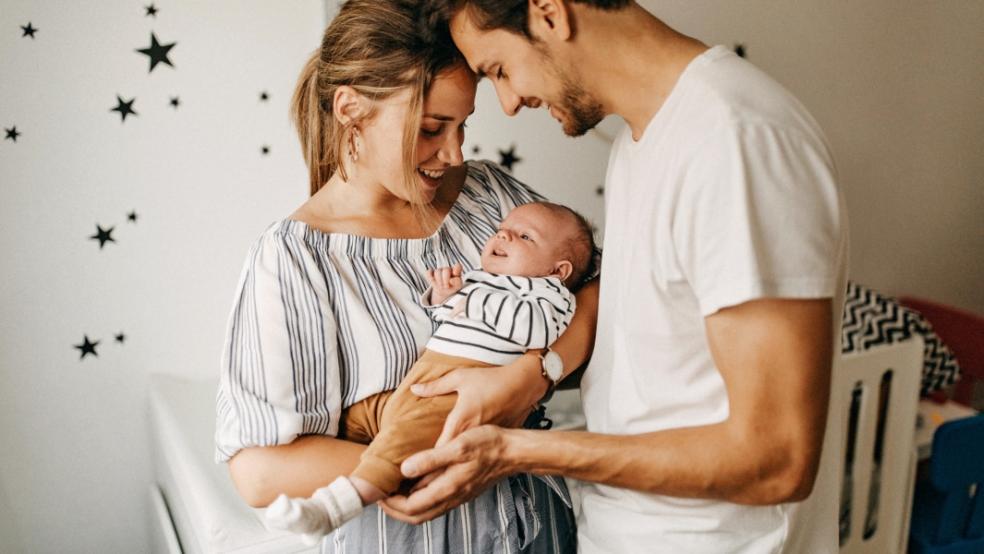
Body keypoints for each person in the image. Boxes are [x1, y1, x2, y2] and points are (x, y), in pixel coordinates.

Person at [382, 2, 849, 553]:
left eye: (500, 71)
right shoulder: (641, 140)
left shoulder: (736, 141)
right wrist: (540, 369)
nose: (509, 104)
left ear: (550, 14)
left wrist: (512, 451)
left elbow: (777, 460)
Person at [213, 1, 600, 552]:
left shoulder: (490, 196)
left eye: (463, 126)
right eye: (431, 129)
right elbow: (259, 470)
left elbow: (596, 286)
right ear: (350, 110)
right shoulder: (296, 258)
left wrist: (537, 374)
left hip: (538, 526)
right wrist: (450, 461)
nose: (454, 152)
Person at [263, 201, 596, 543]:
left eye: (524, 236)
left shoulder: (550, 295)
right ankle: (343, 478)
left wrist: (472, 298)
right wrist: (444, 296)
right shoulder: (481, 280)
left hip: (458, 393)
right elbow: (448, 319)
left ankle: (334, 508)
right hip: (422, 380)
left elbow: (533, 330)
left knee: (402, 442)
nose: (504, 235)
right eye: (502, 229)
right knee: (356, 417)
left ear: (559, 271)